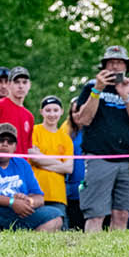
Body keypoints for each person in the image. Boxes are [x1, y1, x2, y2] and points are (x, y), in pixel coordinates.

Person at [72, 45, 129, 233]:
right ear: (104, 67)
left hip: (127, 162)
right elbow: (83, 119)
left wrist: (125, 96)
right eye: (111, 63)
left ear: (126, 68)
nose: (115, 67)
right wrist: (97, 90)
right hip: (99, 158)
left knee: (122, 214)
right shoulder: (91, 89)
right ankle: (90, 254)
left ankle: (114, 255)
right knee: (95, 214)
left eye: (119, 63)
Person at [30, 95, 74, 224]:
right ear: (41, 112)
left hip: (57, 195)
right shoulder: (35, 131)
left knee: (59, 230)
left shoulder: (65, 139)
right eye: (48, 110)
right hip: (35, 192)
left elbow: (69, 168)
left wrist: (42, 161)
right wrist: (59, 162)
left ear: (61, 112)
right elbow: (34, 158)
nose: (52, 114)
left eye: (55, 110)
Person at [0, 66, 35, 152]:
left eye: (24, 82)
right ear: (9, 85)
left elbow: (27, 148)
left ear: (29, 85)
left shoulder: (29, 116)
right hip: (0, 163)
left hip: (20, 163)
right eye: (17, 82)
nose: (21, 86)